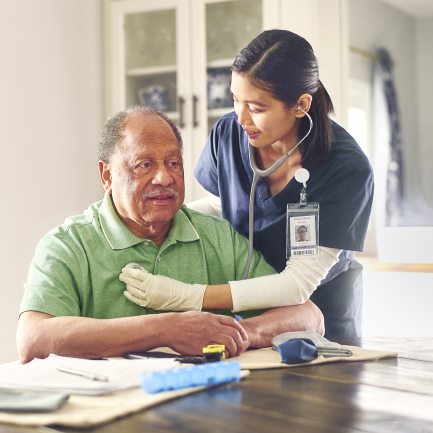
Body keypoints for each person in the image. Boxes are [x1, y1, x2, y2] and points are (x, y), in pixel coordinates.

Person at [17, 106, 324, 365]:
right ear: (107, 176)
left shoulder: (217, 237)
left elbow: (308, 316)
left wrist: (240, 333)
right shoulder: (67, 245)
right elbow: (33, 340)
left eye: (173, 163)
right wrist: (168, 329)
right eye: (145, 165)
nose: (164, 177)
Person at [129, 30, 373, 338]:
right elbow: (219, 206)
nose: (240, 117)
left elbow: (298, 284)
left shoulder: (346, 168)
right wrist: (149, 220)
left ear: (300, 105)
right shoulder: (229, 134)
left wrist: (188, 295)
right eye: (235, 99)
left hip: (320, 312)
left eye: (256, 109)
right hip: (246, 305)